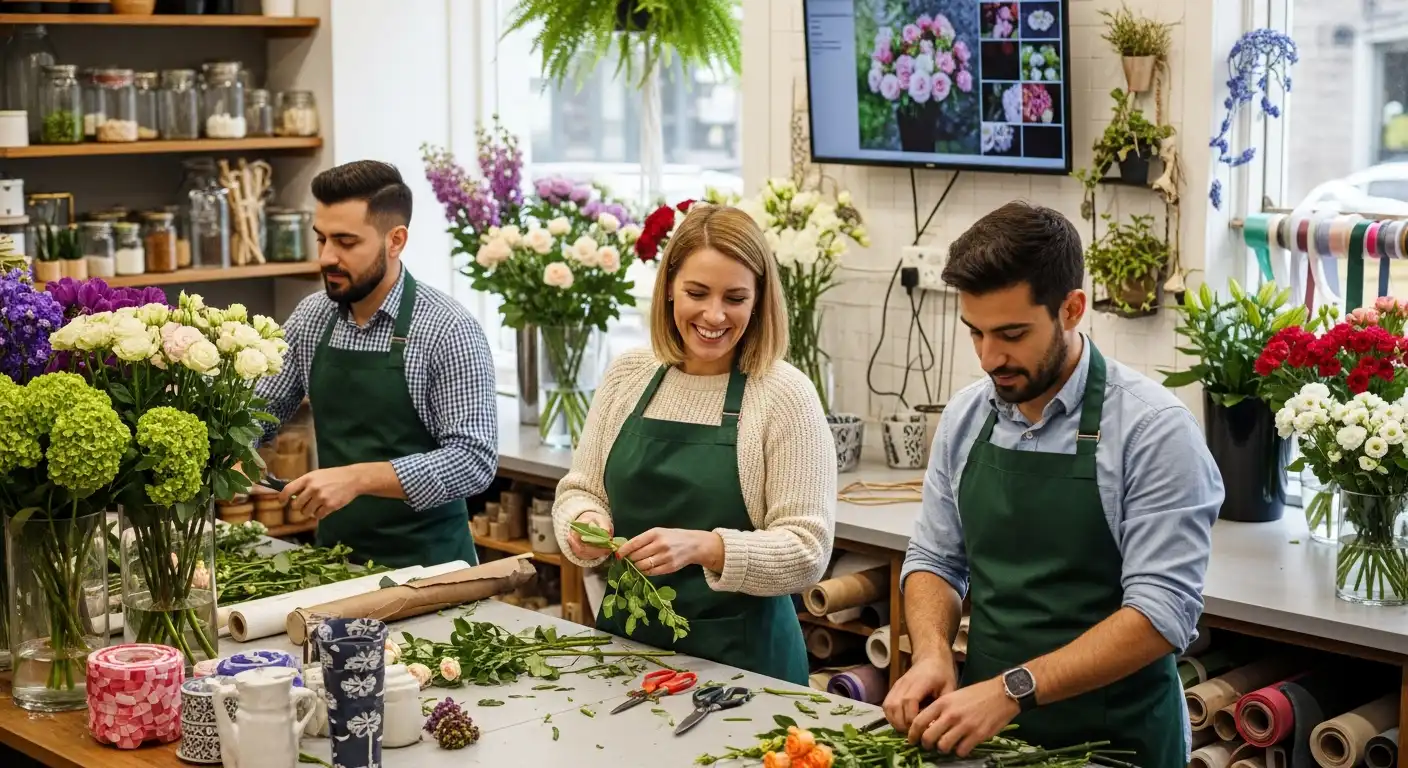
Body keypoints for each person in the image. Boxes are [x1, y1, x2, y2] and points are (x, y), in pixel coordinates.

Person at [883, 202, 1223, 764]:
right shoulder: (966, 417)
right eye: (975, 333)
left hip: (1118, 745)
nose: (989, 357)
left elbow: (1161, 613)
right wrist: (932, 653)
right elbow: (935, 560)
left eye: (1012, 334)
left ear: (1071, 309)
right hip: (989, 740)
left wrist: (1010, 690)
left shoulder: (1154, 430)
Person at [551, 204, 836, 685]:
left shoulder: (785, 395)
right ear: (668, 289)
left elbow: (808, 550)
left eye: (735, 297)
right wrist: (583, 523)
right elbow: (580, 490)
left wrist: (706, 548)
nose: (714, 315)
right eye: (697, 293)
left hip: (746, 669)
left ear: (759, 300)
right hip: (627, 651)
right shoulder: (629, 375)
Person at [253, 160, 498, 568]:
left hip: (432, 570)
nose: (326, 257)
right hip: (335, 563)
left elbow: (473, 461)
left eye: (346, 242)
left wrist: (357, 478)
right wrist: (236, 447)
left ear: (395, 240)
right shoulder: (311, 318)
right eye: (321, 239)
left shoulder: (448, 329)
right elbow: (260, 410)